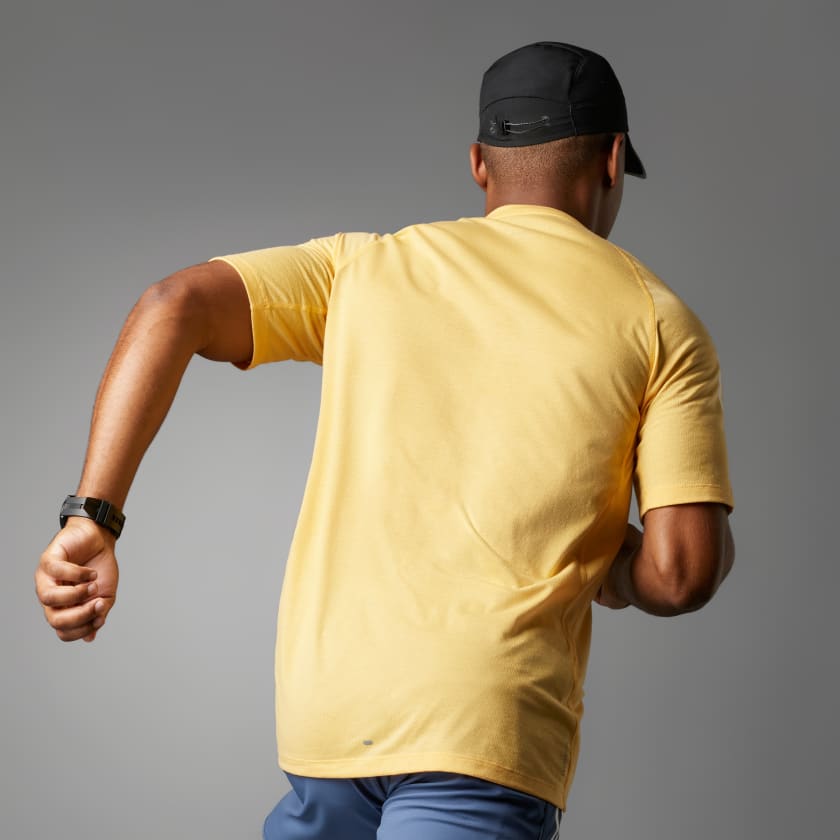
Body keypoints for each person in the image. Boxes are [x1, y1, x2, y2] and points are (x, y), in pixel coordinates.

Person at [35, 41, 734, 839]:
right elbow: (681, 573)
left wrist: (93, 516)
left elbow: (173, 305)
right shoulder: (658, 320)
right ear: (612, 160)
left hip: (327, 724)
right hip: (485, 730)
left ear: (480, 164)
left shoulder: (364, 269)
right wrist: (608, 560)